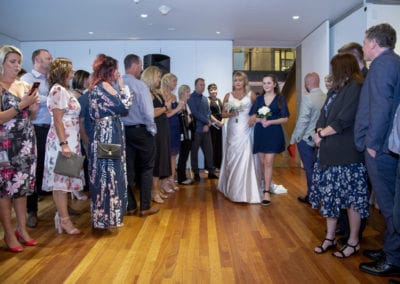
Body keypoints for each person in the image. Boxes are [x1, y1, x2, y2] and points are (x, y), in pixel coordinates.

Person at [310, 53, 369, 258]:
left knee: (353, 200)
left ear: (342, 68)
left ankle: (353, 241)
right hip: (328, 153)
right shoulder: (335, 89)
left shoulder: (355, 87)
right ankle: (330, 237)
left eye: (334, 68)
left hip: (347, 155)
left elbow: (345, 119)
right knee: (330, 199)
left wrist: (322, 133)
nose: (332, 72)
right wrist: (318, 131)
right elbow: (323, 116)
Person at [355, 23, 400, 277]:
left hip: (380, 149)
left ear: (373, 42)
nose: (363, 47)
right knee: (391, 205)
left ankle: (393, 258)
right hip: (386, 146)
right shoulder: (394, 61)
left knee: (389, 206)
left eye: (364, 43)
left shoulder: (383, 65)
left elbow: (381, 109)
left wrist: (372, 145)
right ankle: (390, 249)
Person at [0, 45, 39, 252]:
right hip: (5, 144)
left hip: (25, 142)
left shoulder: (23, 85)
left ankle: (22, 229)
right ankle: (8, 233)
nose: (16, 65)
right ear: (2, 63)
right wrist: (21, 105)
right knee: (6, 191)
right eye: (12, 61)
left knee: (22, 189)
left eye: (18, 61)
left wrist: (32, 108)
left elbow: (28, 116)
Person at [88, 54, 132, 228]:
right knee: (110, 173)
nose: (117, 73)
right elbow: (124, 105)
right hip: (108, 135)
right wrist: (122, 86)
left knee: (105, 174)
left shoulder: (96, 86)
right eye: (115, 69)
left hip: (105, 133)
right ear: (110, 70)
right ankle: (108, 217)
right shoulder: (104, 86)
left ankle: (104, 217)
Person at [42, 57, 84, 235]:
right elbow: (58, 120)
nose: (73, 73)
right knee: (60, 183)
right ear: (63, 71)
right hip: (62, 141)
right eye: (71, 69)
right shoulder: (58, 90)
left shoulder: (64, 90)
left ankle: (62, 216)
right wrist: (64, 144)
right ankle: (64, 220)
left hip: (71, 139)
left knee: (65, 181)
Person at [336, 42, 369, 245]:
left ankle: (355, 234)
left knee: (358, 193)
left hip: (358, 143)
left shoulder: (363, 80)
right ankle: (346, 227)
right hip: (345, 143)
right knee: (345, 191)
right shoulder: (349, 81)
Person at [122, 54, 159, 217]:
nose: (142, 69)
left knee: (128, 170)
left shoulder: (117, 84)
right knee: (146, 168)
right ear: (136, 65)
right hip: (142, 131)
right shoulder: (140, 85)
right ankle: (144, 207)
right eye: (141, 65)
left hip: (123, 132)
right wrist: (152, 130)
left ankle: (130, 206)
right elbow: (148, 112)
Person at [20, 48, 52, 228]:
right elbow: (34, 99)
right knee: (36, 169)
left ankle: (59, 207)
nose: (51, 61)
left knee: (52, 167)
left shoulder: (50, 79)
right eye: (48, 58)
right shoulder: (27, 80)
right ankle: (32, 210)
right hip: (36, 128)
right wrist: (54, 98)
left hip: (51, 129)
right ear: (38, 60)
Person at [218, 71, 260, 203]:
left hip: (245, 129)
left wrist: (254, 116)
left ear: (244, 82)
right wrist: (231, 114)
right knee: (232, 156)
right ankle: (230, 187)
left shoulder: (251, 95)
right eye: (235, 80)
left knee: (245, 155)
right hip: (232, 129)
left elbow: (260, 109)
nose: (237, 83)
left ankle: (244, 191)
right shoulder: (228, 96)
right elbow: (222, 114)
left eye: (240, 80)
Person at [249, 74, 289, 206]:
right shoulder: (259, 99)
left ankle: (266, 191)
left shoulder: (280, 99)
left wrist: (271, 122)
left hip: (273, 132)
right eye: (264, 83)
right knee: (261, 162)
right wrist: (260, 119)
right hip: (260, 132)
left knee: (268, 162)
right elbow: (253, 115)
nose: (266, 85)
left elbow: (285, 118)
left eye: (268, 83)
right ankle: (264, 184)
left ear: (274, 84)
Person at [289, 73, 326, 204]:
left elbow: (303, 121)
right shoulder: (326, 97)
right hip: (322, 139)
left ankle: (312, 197)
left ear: (308, 83)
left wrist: (294, 138)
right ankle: (321, 195)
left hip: (307, 139)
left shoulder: (308, 98)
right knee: (320, 169)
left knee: (309, 169)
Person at [141, 66, 171, 203]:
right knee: (155, 161)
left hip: (162, 129)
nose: (160, 79)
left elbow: (157, 110)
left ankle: (157, 188)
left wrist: (161, 109)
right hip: (154, 131)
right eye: (158, 76)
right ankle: (153, 191)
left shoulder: (156, 93)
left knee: (160, 160)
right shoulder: (146, 93)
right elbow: (151, 113)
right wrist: (164, 108)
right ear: (151, 77)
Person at [187, 78, 218, 181]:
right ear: (195, 86)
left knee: (209, 151)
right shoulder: (190, 98)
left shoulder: (205, 99)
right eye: (200, 85)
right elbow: (195, 113)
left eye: (204, 85)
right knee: (194, 152)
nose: (203, 86)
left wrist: (207, 123)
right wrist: (207, 122)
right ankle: (196, 173)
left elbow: (209, 112)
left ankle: (211, 172)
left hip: (206, 129)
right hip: (196, 130)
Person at [160, 73, 184, 191]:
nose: (175, 84)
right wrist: (178, 108)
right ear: (168, 82)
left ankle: (171, 179)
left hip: (176, 127)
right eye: (174, 81)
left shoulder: (174, 96)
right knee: (166, 155)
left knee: (174, 156)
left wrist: (180, 110)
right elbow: (167, 114)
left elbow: (174, 112)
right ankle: (164, 182)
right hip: (167, 127)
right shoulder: (162, 95)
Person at [71, 69, 90, 199]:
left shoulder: (80, 95)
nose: (89, 81)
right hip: (74, 133)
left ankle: (76, 189)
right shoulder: (77, 97)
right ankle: (74, 190)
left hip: (77, 133)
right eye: (86, 79)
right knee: (75, 161)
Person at [176, 84, 194, 185]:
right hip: (183, 134)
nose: (189, 93)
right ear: (182, 93)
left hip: (187, 133)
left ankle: (182, 177)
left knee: (184, 156)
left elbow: (189, 120)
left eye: (189, 91)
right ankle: (181, 178)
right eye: (187, 92)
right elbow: (184, 121)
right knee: (183, 157)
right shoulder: (181, 104)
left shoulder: (186, 105)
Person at [207, 83, 224, 170]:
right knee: (211, 146)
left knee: (218, 145)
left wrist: (222, 121)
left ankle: (218, 165)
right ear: (209, 91)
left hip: (220, 125)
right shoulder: (208, 100)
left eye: (215, 89)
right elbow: (208, 114)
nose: (213, 91)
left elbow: (223, 112)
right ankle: (210, 166)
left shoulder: (220, 100)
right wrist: (217, 122)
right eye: (211, 90)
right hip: (212, 125)